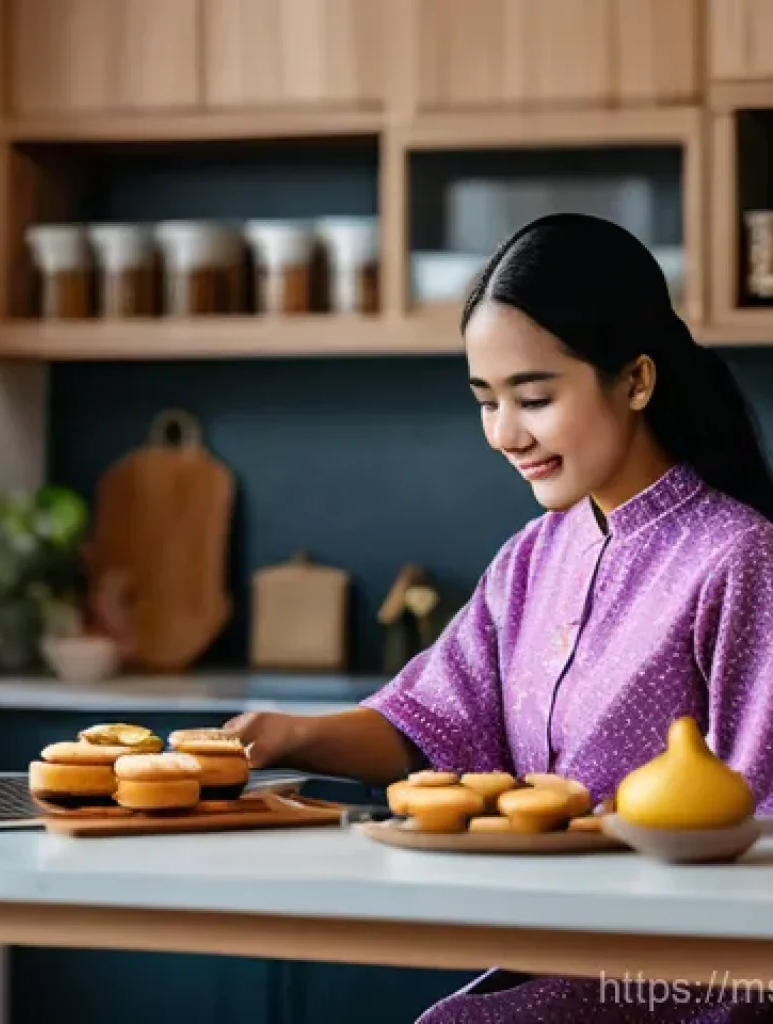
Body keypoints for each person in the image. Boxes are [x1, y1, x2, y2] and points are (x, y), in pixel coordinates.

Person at [225, 213, 773, 1023]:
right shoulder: (531, 557)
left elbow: (760, 823)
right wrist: (290, 736)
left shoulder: (739, 557)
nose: (506, 434)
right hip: (542, 942)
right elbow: (431, 722)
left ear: (636, 381)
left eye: (535, 397)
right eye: (487, 401)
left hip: (676, 978)